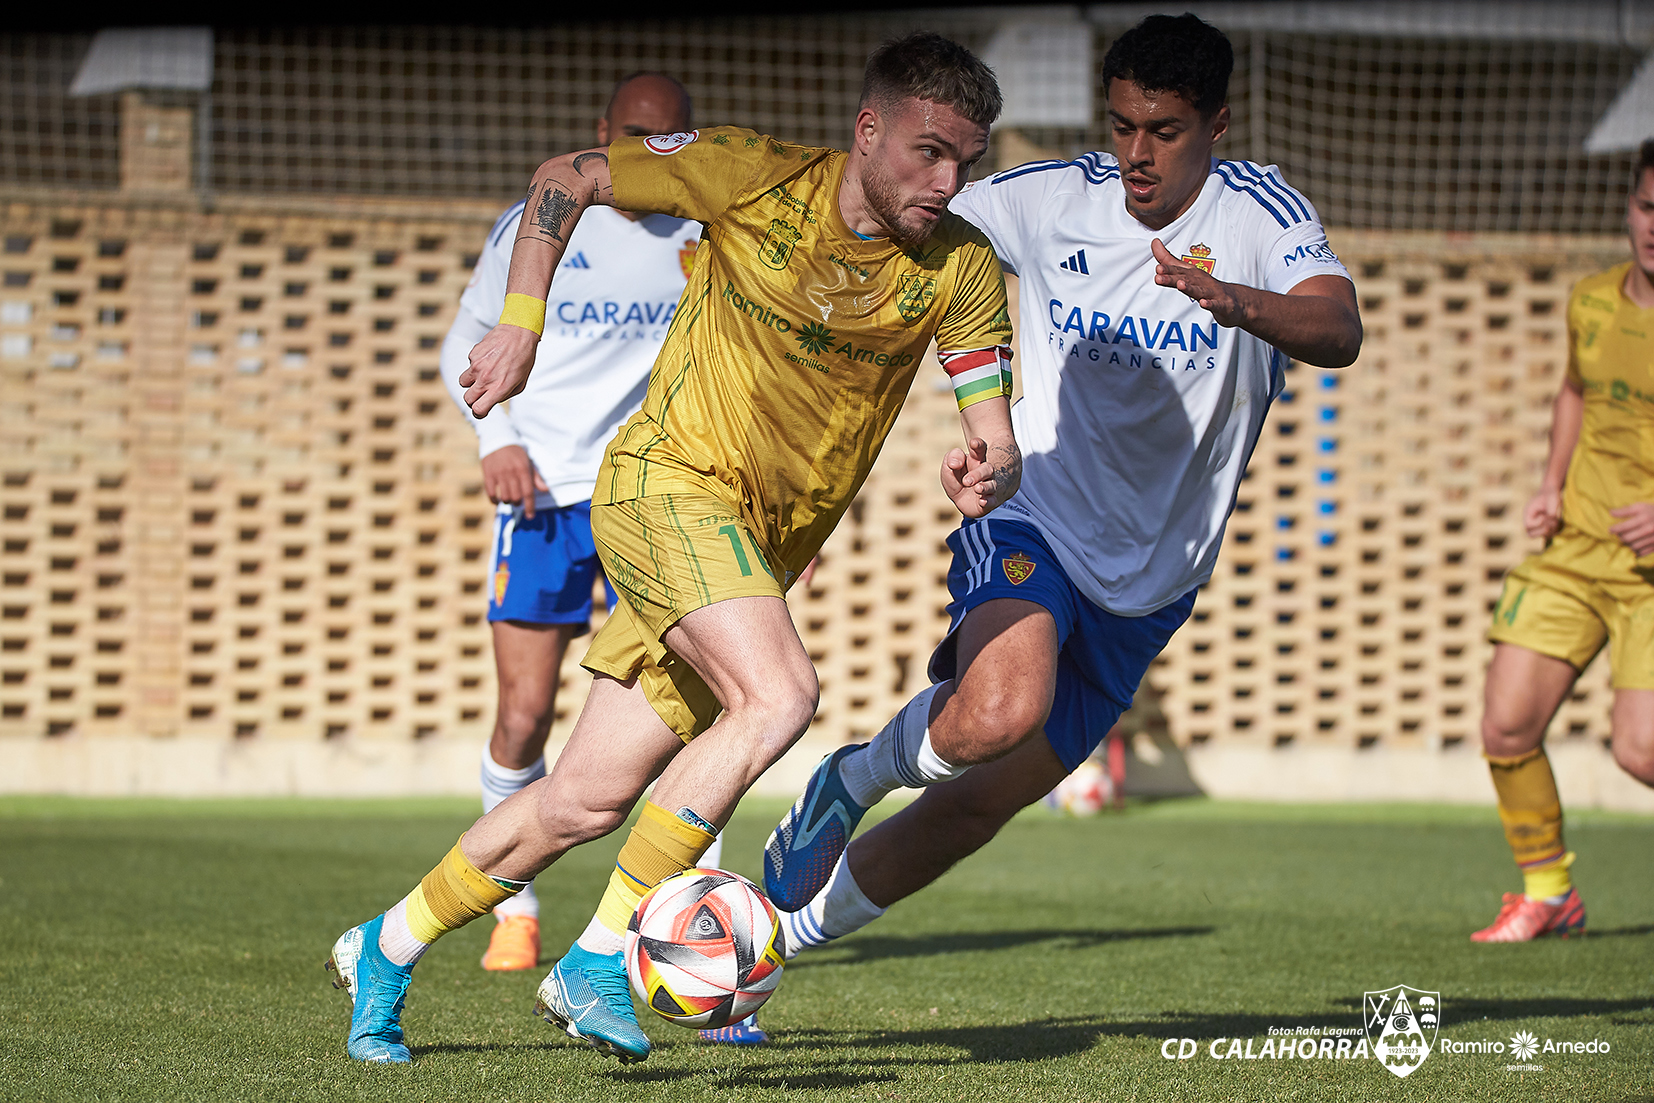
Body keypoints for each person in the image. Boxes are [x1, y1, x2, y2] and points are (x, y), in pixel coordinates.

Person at [326, 32, 1020, 1065]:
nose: (946, 178)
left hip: (752, 545)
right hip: (663, 485)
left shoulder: (957, 266)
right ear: (868, 129)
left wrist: (988, 468)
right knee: (781, 695)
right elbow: (567, 175)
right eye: (927, 150)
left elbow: (991, 426)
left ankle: (386, 943)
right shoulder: (752, 175)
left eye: (965, 158)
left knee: (583, 798)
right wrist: (522, 320)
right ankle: (599, 956)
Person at [763, 13, 1362, 961]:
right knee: (1001, 708)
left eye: (1163, 131)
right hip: (1031, 509)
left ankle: (770, 947)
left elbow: (1338, 328)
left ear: (1219, 124)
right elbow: (912, 205)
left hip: (1154, 584)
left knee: (974, 805)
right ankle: (853, 775)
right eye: (1122, 125)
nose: (1136, 152)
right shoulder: (1051, 198)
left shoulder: (1259, 217)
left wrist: (1232, 302)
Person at [439, 71, 700, 977]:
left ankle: (679, 929)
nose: (644, 155)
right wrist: (494, 437)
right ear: (601, 132)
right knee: (523, 713)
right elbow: (461, 340)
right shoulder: (536, 226)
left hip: (649, 496)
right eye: (630, 134)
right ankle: (517, 904)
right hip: (543, 494)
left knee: (684, 714)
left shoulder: (704, 238)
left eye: (665, 139)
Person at [1469, 140, 1654, 942]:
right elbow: (1575, 392)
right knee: (1506, 725)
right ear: (1629, 208)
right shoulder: (1590, 300)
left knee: (1641, 752)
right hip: (1576, 547)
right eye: (1650, 207)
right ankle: (1548, 892)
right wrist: (1551, 481)